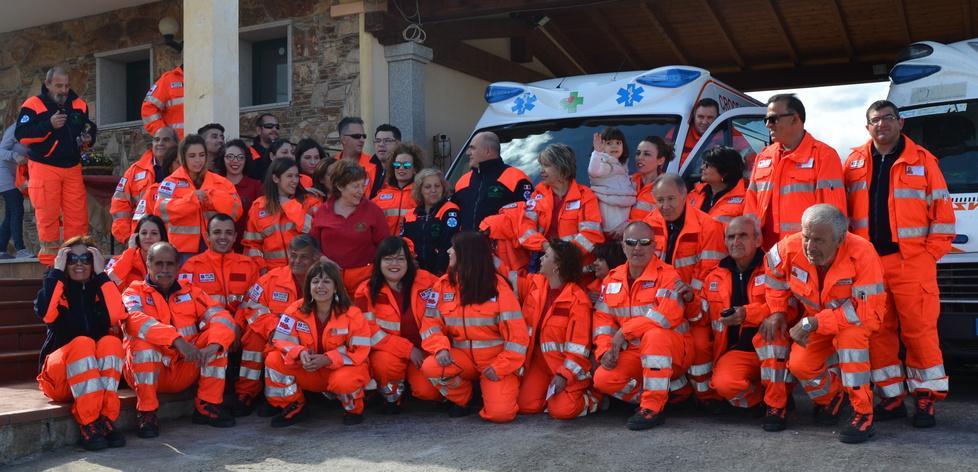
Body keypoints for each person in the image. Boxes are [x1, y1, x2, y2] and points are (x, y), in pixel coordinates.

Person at [844, 100, 955, 427]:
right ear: (868, 127)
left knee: (920, 332)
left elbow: (943, 216)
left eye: (888, 118)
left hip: (911, 263)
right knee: (877, 331)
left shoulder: (923, 161)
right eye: (875, 120)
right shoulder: (852, 163)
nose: (882, 124)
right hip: (868, 266)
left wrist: (928, 256)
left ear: (900, 122)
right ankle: (891, 397)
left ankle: (925, 397)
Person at [766, 204, 886, 444]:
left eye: (819, 241)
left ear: (840, 239)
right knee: (800, 365)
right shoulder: (788, 248)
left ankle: (863, 413)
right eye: (807, 237)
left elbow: (862, 310)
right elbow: (772, 271)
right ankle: (832, 397)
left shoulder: (863, 253)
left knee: (850, 342)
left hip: (856, 320)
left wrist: (813, 322)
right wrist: (778, 311)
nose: (810, 247)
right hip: (817, 320)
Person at [122, 242, 237, 438]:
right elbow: (135, 322)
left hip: (183, 368)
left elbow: (221, 316)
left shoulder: (192, 291)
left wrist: (214, 345)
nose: (164, 269)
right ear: (148, 264)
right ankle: (147, 412)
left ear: (177, 267)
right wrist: (177, 340)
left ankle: (207, 405)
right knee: (142, 343)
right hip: (148, 372)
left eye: (169, 264)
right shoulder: (133, 292)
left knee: (216, 340)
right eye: (159, 263)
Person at [591, 221, 693, 430]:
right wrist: (606, 350)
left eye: (644, 242)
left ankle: (652, 408)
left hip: (671, 351)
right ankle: (662, 396)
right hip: (634, 352)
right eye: (631, 242)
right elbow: (603, 321)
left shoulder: (668, 275)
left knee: (655, 335)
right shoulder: (611, 279)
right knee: (602, 378)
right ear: (623, 246)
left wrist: (623, 333)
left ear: (654, 246)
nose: (637, 247)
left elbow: (665, 317)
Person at [419, 231, 529, 422]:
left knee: (501, 414)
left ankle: (487, 391)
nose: (449, 251)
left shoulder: (499, 288)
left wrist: (500, 367)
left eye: (454, 248)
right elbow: (430, 324)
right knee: (431, 366)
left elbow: (517, 338)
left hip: (494, 363)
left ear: (467, 254)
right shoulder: (441, 286)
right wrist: (439, 348)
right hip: (461, 360)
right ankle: (464, 397)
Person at [35, 237, 127, 450]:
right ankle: (88, 423)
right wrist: (56, 273)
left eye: (85, 258)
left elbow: (116, 316)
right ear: (63, 262)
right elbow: (47, 315)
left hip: (91, 380)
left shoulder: (100, 289)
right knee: (83, 343)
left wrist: (102, 275)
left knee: (110, 343)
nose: (79, 263)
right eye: (71, 258)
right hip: (59, 381)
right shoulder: (55, 287)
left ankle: (105, 420)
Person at [703, 216, 794, 431]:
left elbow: (790, 307)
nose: (736, 241)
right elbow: (701, 316)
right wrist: (687, 301)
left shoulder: (775, 269)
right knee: (724, 385)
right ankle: (761, 399)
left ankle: (776, 406)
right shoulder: (714, 276)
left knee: (773, 330)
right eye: (731, 237)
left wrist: (747, 314)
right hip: (737, 351)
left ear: (758, 239)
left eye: (743, 235)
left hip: (772, 346)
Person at [643, 173, 726, 407]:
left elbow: (710, 275)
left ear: (685, 196)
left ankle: (707, 397)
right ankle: (679, 391)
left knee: (699, 347)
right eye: (660, 200)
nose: (665, 206)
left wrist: (690, 301)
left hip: (695, 306)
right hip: (659, 305)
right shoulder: (648, 225)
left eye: (670, 199)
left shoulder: (708, 226)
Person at [263, 261, 372, 426]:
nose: (320, 286)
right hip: (308, 370)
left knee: (344, 381)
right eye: (315, 281)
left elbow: (360, 351)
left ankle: (353, 409)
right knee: (273, 359)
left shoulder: (352, 314)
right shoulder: (294, 309)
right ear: (308, 286)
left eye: (327, 281)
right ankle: (294, 406)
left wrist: (328, 358)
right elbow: (280, 339)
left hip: (338, 371)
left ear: (336, 287)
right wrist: (300, 352)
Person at [15, 66, 96, 266]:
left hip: (72, 167)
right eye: (59, 86)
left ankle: (76, 262)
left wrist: (89, 137)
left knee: (77, 217)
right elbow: (22, 134)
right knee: (47, 215)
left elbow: (88, 126)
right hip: (44, 165)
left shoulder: (78, 104)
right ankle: (50, 267)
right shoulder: (33, 104)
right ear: (48, 84)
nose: (63, 90)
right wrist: (49, 125)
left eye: (67, 85)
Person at [743, 94, 847, 248]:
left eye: (773, 119)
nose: (768, 125)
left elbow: (832, 213)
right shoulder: (763, 156)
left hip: (805, 251)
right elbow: (751, 205)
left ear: (795, 119)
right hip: (766, 252)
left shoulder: (824, 156)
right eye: (766, 120)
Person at [232, 235, 320, 416]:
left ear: (315, 258)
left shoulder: (325, 281)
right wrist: (274, 329)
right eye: (293, 255)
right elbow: (251, 307)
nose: (296, 261)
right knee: (253, 336)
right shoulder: (271, 279)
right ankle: (249, 393)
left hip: (311, 339)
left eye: (303, 257)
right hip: (276, 336)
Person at [354, 237, 440, 413]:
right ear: (378, 262)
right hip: (390, 352)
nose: (395, 264)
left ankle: (413, 385)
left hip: (425, 350)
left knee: (427, 392)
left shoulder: (429, 281)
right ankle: (392, 399)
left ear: (408, 261)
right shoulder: (365, 290)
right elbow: (368, 331)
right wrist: (407, 350)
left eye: (400, 259)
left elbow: (444, 312)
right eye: (388, 259)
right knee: (383, 364)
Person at [516, 239, 599, 419]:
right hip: (539, 363)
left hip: (564, 367)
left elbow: (579, 348)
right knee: (526, 406)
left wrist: (564, 375)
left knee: (561, 411)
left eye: (546, 256)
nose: (540, 260)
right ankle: (551, 395)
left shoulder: (578, 301)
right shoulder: (536, 284)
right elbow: (508, 277)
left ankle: (593, 398)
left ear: (557, 266)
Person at [150, 134, 242, 257]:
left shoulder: (221, 182)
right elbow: (160, 211)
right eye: (192, 156)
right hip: (181, 251)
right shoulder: (170, 182)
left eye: (202, 155)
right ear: (183, 158)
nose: (198, 160)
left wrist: (211, 197)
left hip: (214, 248)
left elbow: (236, 211)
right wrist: (192, 200)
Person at [311, 160, 389, 295]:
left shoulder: (373, 211)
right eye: (355, 186)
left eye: (362, 185)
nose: (361, 191)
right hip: (331, 280)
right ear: (340, 186)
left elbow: (385, 247)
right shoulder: (323, 211)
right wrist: (322, 258)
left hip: (365, 282)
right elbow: (313, 245)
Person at [518, 144, 605, 256]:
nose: (541, 171)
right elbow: (525, 229)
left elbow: (592, 235)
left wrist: (563, 254)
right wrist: (546, 247)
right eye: (541, 165)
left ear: (562, 168)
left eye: (546, 165)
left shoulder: (585, 196)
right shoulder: (537, 195)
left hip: (579, 268)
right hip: (547, 265)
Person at [242, 158, 318, 270]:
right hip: (272, 275)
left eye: (296, 176)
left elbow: (312, 233)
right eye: (289, 176)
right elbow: (251, 245)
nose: (295, 180)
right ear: (275, 178)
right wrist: (262, 270)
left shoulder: (309, 202)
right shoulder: (258, 207)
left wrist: (289, 205)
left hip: (303, 272)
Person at [178, 213, 260, 313]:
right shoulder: (191, 266)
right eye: (217, 232)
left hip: (242, 323)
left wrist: (238, 324)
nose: (223, 237)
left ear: (235, 237)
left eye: (228, 233)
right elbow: (185, 304)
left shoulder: (249, 265)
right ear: (207, 236)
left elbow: (254, 302)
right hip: (207, 325)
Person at [452, 131, 533, 231]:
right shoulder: (463, 181)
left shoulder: (516, 178)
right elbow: (452, 217)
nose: (468, 153)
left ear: (487, 151)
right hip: (467, 246)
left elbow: (528, 219)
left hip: (502, 246)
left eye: (472, 148)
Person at [110, 126, 178, 243]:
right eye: (156, 140)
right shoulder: (135, 170)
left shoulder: (184, 170)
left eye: (166, 140)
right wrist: (128, 237)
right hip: (143, 240)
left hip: (175, 239)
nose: (160, 143)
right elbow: (119, 207)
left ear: (176, 144)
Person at [401, 169, 461, 275]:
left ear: (443, 188)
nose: (433, 190)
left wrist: (438, 273)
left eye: (437, 186)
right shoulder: (410, 215)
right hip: (415, 274)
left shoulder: (450, 211)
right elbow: (405, 244)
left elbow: (447, 245)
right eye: (427, 187)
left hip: (441, 274)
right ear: (420, 190)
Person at [213, 139, 262, 253]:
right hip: (218, 245)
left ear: (246, 160)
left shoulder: (256, 186)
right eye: (230, 156)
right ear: (222, 159)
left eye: (240, 157)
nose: (235, 161)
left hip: (246, 247)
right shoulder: (214, 184)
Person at [588, 128, 637, 237]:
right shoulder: (604, 163)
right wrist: (597, 153)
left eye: (618, 143)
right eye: (609, 143)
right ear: (602, 146)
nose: (614, 146)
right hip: (610, 223)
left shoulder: (623, 168)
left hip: (624, 225)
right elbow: (593, 171)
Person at [687, 146, 747, 226]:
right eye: (703, 164)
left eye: (707, 165)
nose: (702, 168)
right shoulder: (693, 194)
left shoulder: (745, 200)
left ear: (724, 172)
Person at [106, 215, 167, 291]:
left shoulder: (170, 261)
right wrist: (130, 251)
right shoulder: (118, 260)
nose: (148, 237)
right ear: (136, 237)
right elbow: (108, 285)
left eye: (154, 233)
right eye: (144, 233)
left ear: (162, 237)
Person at [372, 143, 422, 234]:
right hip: (384, 245)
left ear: (415, 168)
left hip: (409, 246)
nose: (401, 168)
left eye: (406, 165)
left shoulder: (421, 193)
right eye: (397, 164)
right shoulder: (381, 195)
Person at [0, 123, 31, 258]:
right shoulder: (15, 128)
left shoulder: (38, 129)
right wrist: (15, 156)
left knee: (10, 214)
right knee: (17, 208)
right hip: (3, 171)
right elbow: (1, 150)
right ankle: (20, 249)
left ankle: (1, 250)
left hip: (17, 174)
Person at [335, 116, 383, 199]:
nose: (362, 140)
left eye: (363, 136)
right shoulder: (332, 165)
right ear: (343, 139)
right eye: (356, 136)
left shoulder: (374, 164)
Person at [629, 136, 673, 221]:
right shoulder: (627, 181)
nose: (640, 157)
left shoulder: (667, 188)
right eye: (638, 153)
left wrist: (629, 226)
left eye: (647, 154)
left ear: (660, 161)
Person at [671, 98, 719, 168]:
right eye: (700, 117)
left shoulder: (728, 132)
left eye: (710, 117)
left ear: (717, 118)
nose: (704, 122)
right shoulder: (679, 131)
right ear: (694, 116)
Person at [141, 65, 184, 139]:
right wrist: (164, 135)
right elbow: (148, 109)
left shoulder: (207, 77)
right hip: (177, 145)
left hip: (203, 142)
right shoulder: (168, 80)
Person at [247, 113, 280, 180]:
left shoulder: (284, 152)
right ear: (259, 130)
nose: (274, 129)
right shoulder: (248, 152)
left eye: (277, 127)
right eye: (269, 126)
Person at [371, 124, 402, 197]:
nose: (381, 144)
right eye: (378, 141)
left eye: (387, 141)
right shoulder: (366, 170)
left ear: (398, 144)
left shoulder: (406, 169)